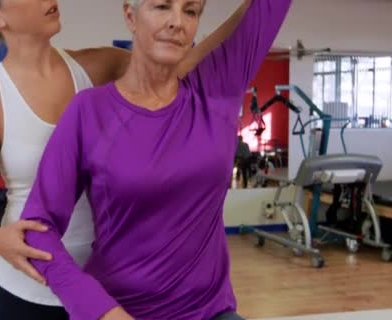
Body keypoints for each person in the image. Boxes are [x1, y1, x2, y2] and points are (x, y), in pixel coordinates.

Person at [0, 0, 253, 319]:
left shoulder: (99, 65)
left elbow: (183, 59)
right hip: (30, 282)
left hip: (105, 289)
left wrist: (248, 15)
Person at [19, 0, 292, 319]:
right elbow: (36, 227)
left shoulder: (216, 91)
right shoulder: (89, 111)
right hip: (119, 310)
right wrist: (96, 306)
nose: (178, 21)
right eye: (162, 6)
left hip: (209, 312)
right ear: (130, 16)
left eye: (190, 11)